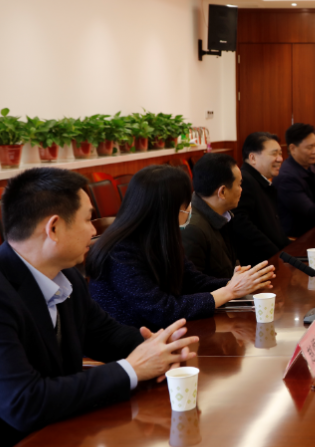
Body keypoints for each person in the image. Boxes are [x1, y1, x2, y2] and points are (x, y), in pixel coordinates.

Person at [0, 168, 199, 447]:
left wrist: (161, 347)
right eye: (88, 219)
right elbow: (25, 403)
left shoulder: (65, 277)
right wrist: (132, 369)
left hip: (55, 441)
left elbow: (106, 335)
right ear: (53, 228)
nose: (95, 230)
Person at [89, 165, 274, 330]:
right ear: (167, 209)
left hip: (163, 337)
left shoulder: (161, 237)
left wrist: (240, 283)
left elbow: (193, 281)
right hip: (133, 347)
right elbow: (162, 309)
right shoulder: (121, 250)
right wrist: (228, 291)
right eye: (186, 203)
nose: (190, 208)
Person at [181, 153, 242, 279]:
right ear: (222, 192)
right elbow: (192, 285)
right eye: (239, 184)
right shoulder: (192, 230)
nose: (241, 190)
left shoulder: (224, 214)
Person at [234, 131, 290, 266]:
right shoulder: (245, 181)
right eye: (274, 154)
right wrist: (276, 254)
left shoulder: (261, 181)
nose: (280, 159)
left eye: (280, 153)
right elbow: (242, 225)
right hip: (262, 264)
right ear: (253, 158)